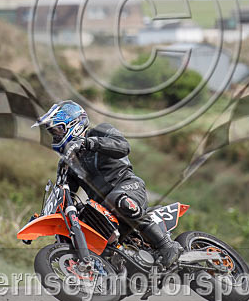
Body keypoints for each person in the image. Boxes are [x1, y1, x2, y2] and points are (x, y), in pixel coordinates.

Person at [32, 100, 184, 267]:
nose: (55, 136)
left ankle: (167, 245)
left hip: (127, 186)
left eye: (58, 130)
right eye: (52, 132)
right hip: (102, 207)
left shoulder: (101, 131)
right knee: (79, 217)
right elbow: (64, 194)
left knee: (116, 200)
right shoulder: (68, 163)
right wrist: (42, 218)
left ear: (74, 124)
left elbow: (123, 147)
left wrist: (88, 143)